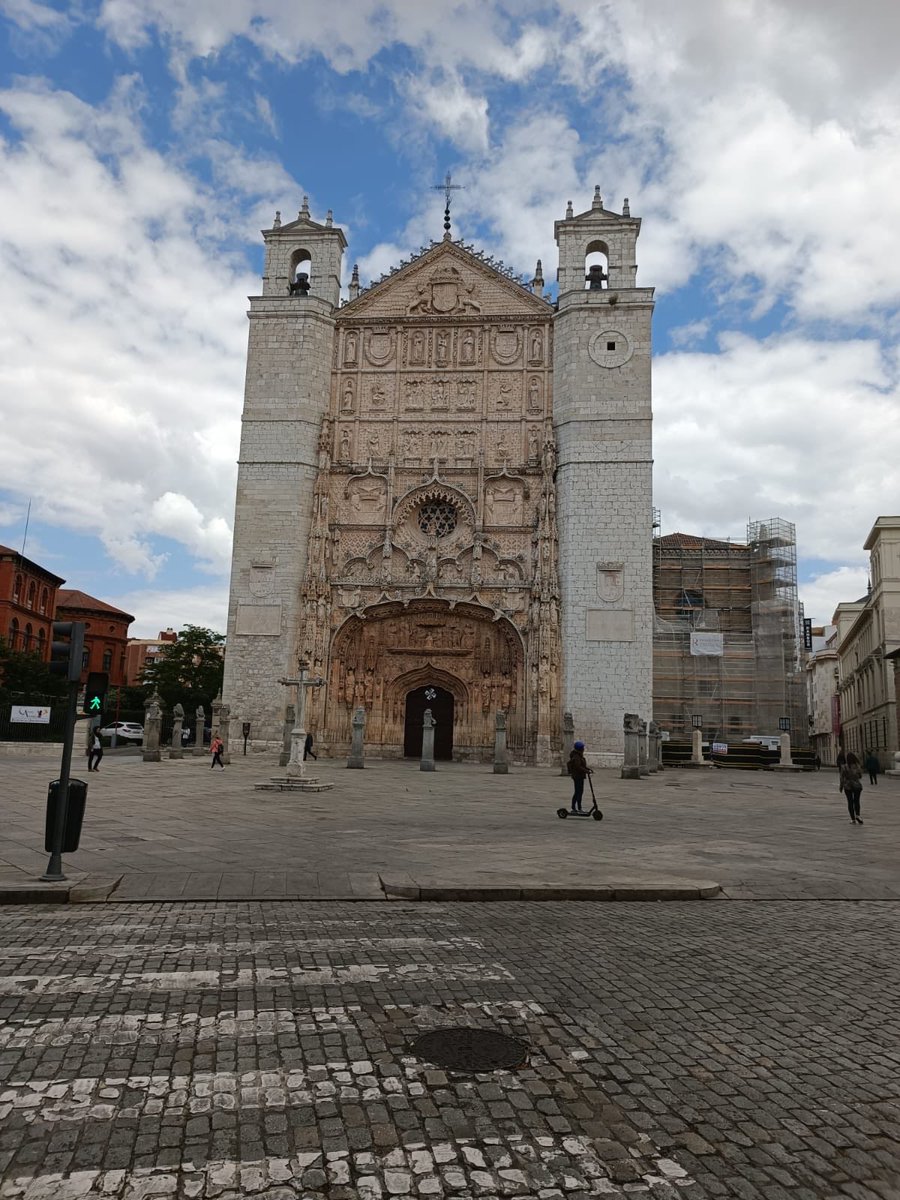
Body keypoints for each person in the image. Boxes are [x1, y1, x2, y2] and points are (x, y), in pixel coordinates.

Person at [567, 740, 592, 813]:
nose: (584, 749)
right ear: (580, 749)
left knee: (579, 792)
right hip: (577, 776)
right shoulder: (576, 756)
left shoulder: (578, 755)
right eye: (583, 748)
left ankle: (577, 807)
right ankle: (575, 808)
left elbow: (582, 765)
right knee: (578, 792)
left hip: (579, 776)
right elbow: (578, 766)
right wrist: (586, 771)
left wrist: (588, 769)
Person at [839, 752, 863, 824]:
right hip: (857, 785)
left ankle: (853, 819)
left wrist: (841, 787)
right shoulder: (857, 766)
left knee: (850, 802)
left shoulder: (844, 767)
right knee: (857, 801)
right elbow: (860, 776)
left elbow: (841, 778)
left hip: (847, 786)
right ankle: (858, 815)